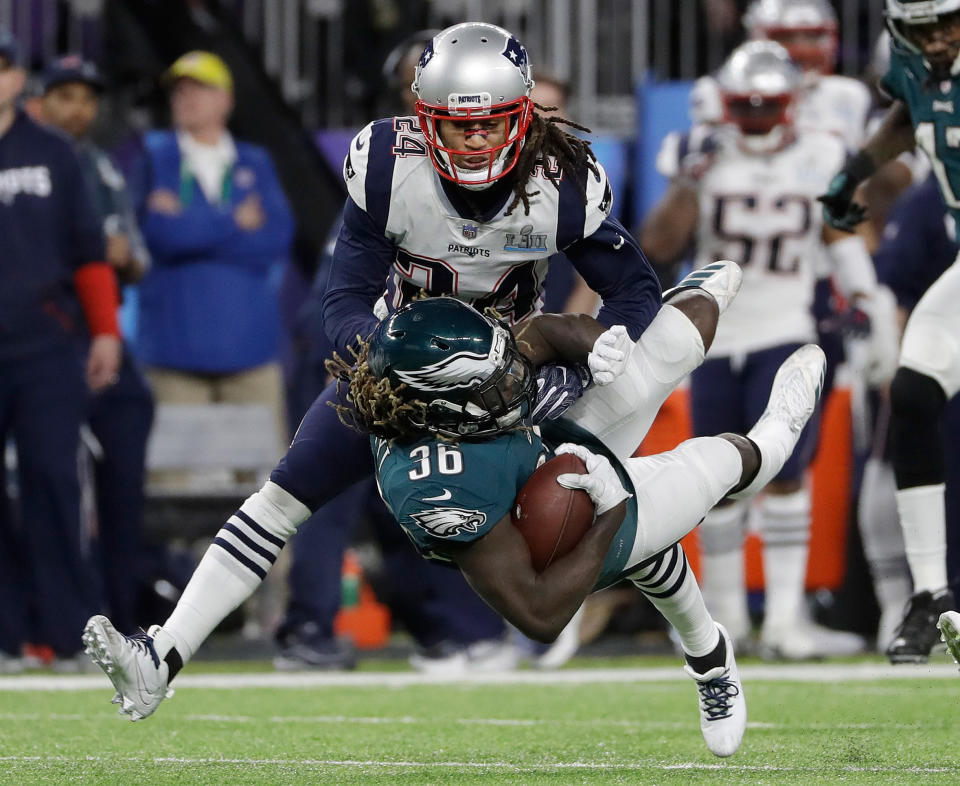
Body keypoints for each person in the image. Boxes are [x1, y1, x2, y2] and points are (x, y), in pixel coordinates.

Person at [272, 22, 661, 669]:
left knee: (486, 502)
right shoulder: (387, 173)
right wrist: (394, 358)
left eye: (493, 120)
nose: (472, 136)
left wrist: (586, 360)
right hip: (390, 366)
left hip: (498, 380)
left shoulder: (552, 184)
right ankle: (286, 630)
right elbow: (339, 303)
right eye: (453, 118)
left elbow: (633, 290)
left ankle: (460, 631)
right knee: (305, 495)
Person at [324, 275, 823, 757]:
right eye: (492, 384)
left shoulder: (446, 376)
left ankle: (685, 614)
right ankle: (778, 434)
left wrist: (600, 344)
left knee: (689, 323)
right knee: (728, 464)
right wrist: (610, 513)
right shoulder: (438, 490)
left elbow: (538, 335)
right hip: (542, 539)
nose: (512, 378)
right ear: (440, 408)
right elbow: (541, 616)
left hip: (538, 440)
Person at [641, 41, 896, 659]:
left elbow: (839, 233)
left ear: (790, 104)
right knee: (718, 479)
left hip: (785, 327)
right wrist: (688, 182)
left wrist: (870, 298)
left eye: (766, 104)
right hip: (712, 334)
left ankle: (784, 620)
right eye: (745, 104)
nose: (755, 115)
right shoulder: (697, 149)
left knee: (783, 476)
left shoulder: (823, 151)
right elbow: (657, 245)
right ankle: (728, 621)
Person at [817, 0, 960, 664]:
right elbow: (913, 113)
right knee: (913, 393)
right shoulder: (912, 68)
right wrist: (855, 171)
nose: (939, 39)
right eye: (924, 28)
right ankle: (931, 595)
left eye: (950, 23)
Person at [0, 30, 122, 671]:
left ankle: (69, 634)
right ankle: (8, 636)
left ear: (19, 78)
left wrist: (106, 331)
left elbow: (88, 253)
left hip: (46, 346)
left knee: (54, 482)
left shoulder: (53, 153)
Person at [127, 50, 295, 484]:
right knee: (171, 494)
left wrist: (190, 228)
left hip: (250, 352)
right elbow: (160, 238)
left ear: (226, 100)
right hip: (174, 354)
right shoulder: (155, 156)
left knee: (266, 497)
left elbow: (275, 238)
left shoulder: (254, 161)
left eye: (198, 89)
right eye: (179, 90)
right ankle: (182, 559)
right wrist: (232, 221)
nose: (186, 98)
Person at [35, 54, 156, 638]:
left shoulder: (100, 166)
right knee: (48, 480)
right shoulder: (29, 161)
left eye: (86, 98)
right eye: (64, 96)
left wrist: (115, 257)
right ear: (38, 101)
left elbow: (132, 256)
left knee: (123, 482)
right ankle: (56, 622)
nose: (77, 109)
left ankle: (121, 621)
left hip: (104, 333)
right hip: (47, 336)